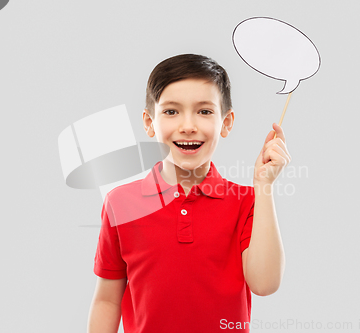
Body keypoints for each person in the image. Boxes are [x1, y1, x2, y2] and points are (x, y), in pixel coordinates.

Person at [87, 54, 291, 333]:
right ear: (149, 122)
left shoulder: (247, 201)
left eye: (204, 111)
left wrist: (263, 185)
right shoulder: (120, 203)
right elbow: (107, 301)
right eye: (171, 111)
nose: (188, 125)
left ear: (226, 122)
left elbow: (265, 284)